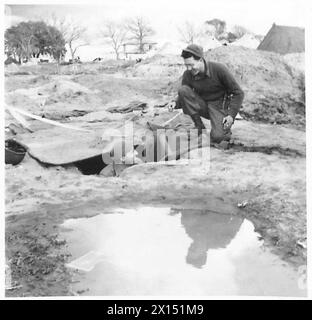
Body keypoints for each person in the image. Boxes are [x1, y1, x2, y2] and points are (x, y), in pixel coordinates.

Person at [167, 44, 244, 149]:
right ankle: (200, 128)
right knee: (183, 89)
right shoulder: (188, 74)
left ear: (200, 60)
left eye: (191, 65)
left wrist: (231, 115)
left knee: (218, 137)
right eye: (186, 65)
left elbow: (238, 93)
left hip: (219, 106)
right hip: (202, 104)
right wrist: (174, 102)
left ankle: (223, 131)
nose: (189, 68)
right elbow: (184, 93)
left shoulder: (219, 69)